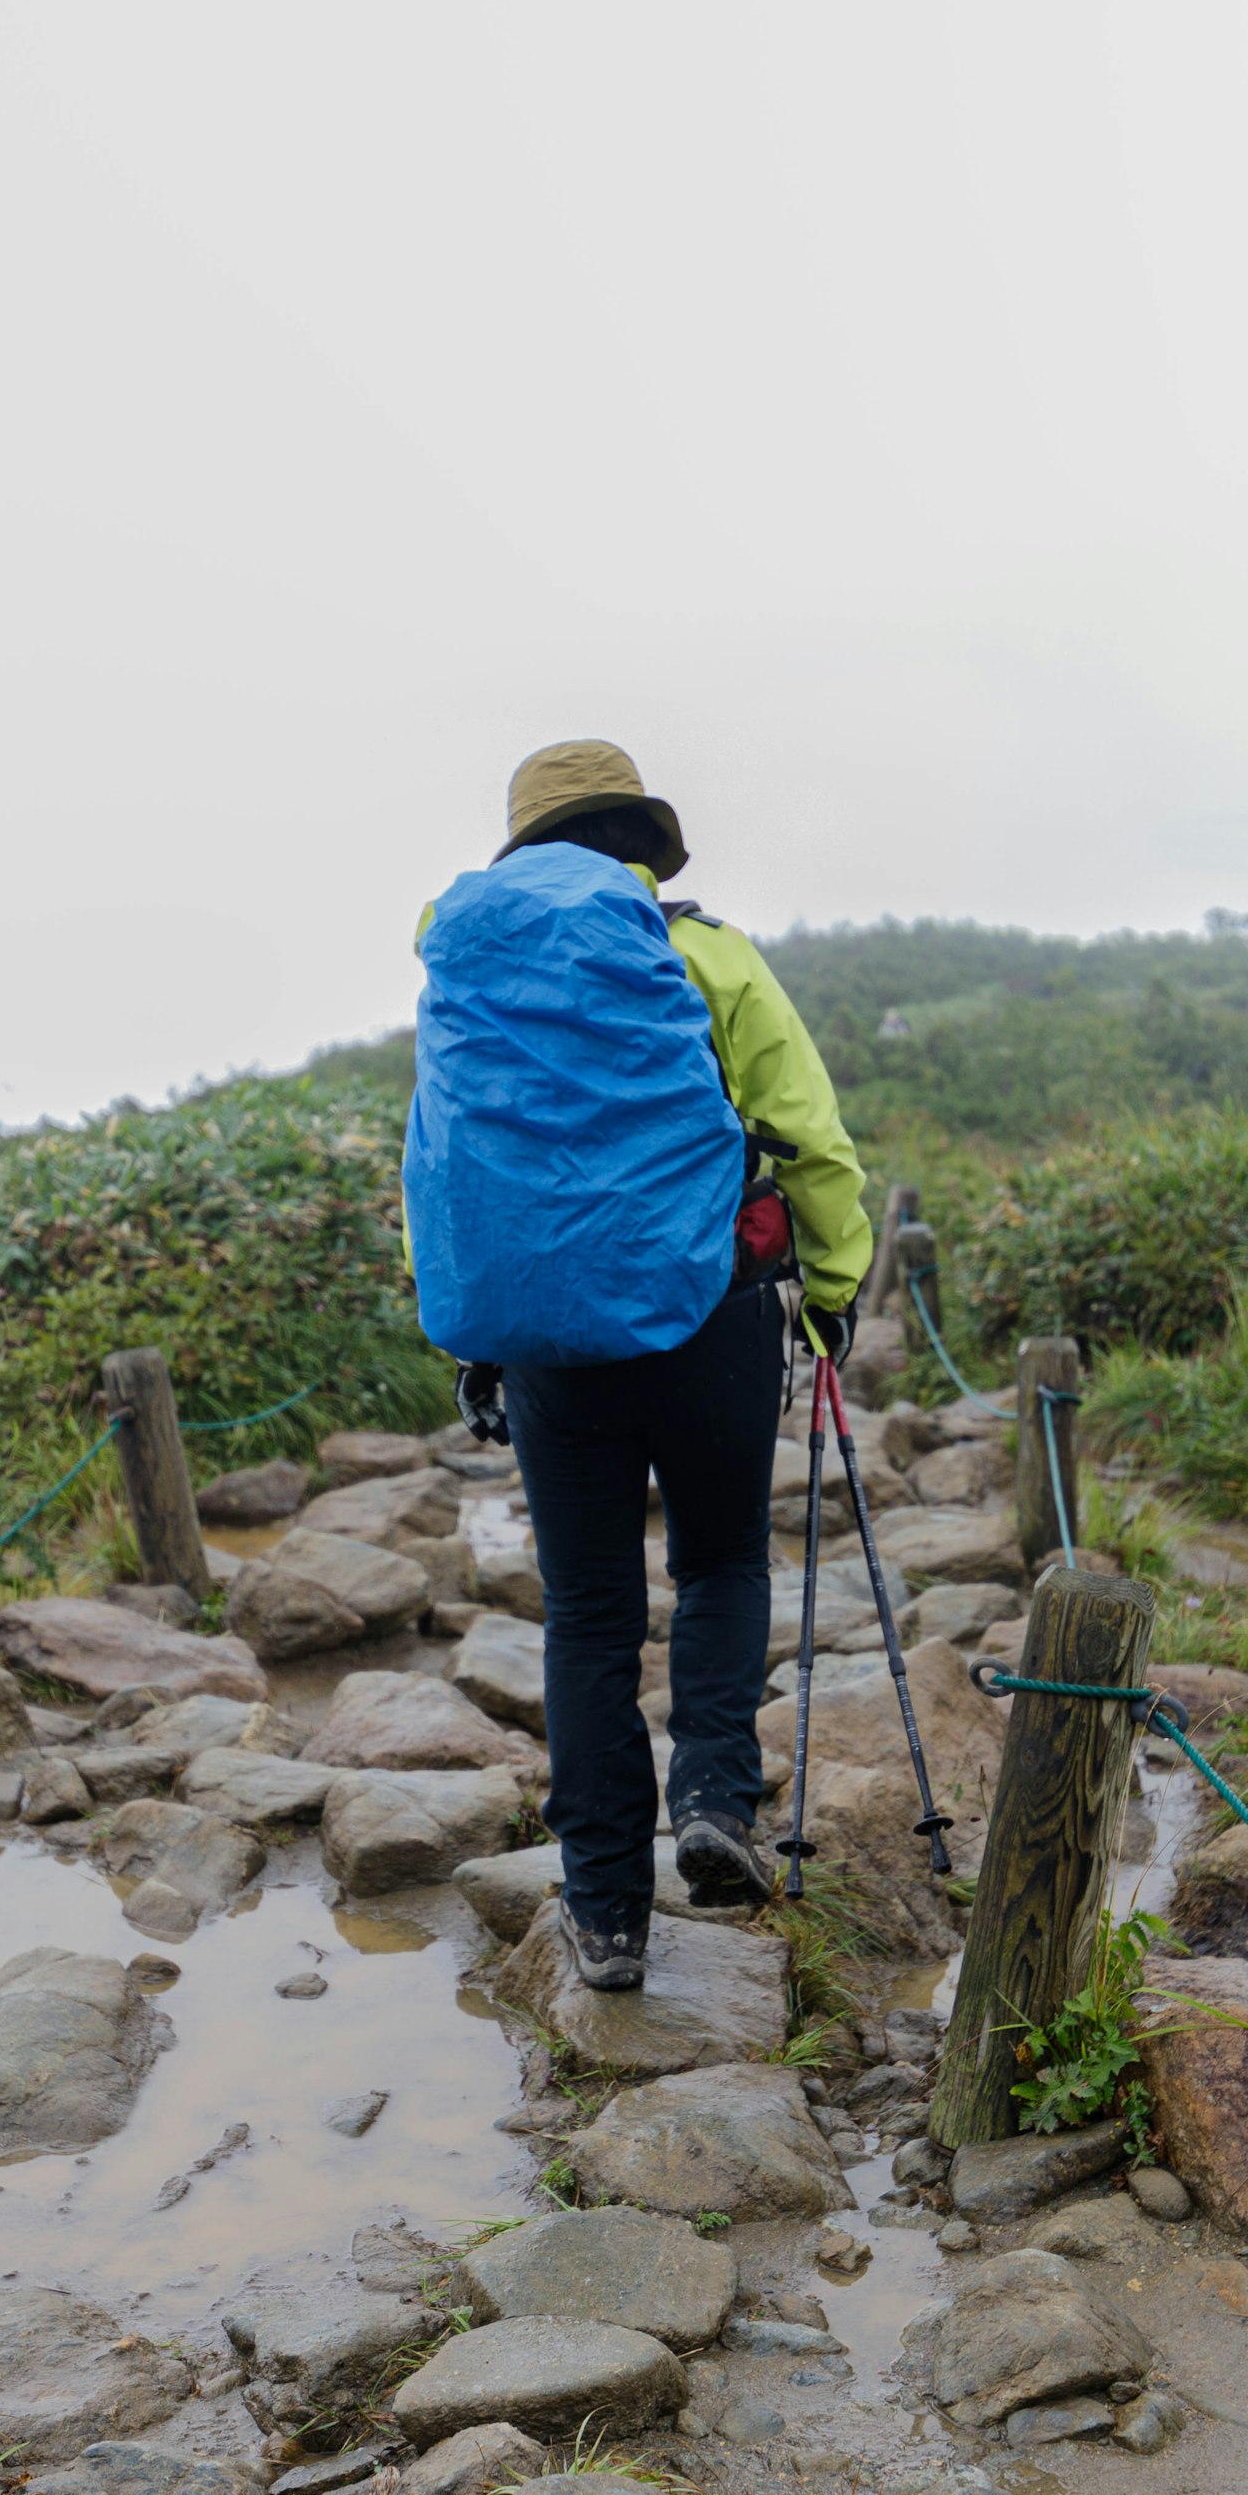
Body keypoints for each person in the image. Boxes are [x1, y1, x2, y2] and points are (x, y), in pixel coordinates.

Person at [405, 739, 870, 1990]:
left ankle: (605, 1912)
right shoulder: (707, 954)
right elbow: (810, 1138)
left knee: (590, 1612)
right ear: (636, 844)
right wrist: (831, 1288)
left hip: (551, 1346)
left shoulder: (469, 978)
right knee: (721, 1559)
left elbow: (447, 1176)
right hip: (707, 1314)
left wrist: (478, 1337)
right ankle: (716, 1795)